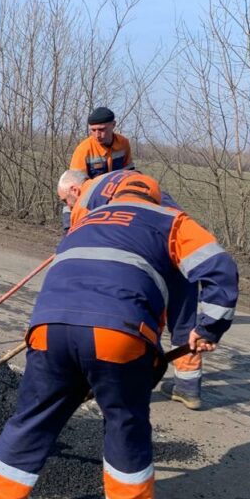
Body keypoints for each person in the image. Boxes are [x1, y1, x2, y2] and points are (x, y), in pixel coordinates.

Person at [0, 172, 238, 499]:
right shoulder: (171, 221)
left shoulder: (84, 221)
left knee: (33, 418)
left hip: (49, 330)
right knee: (125, 421)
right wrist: (208, 328)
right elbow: (218, 267)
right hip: (118, 335)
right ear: (157, 198)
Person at [68, 169, 205, 409]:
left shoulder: (86, 199)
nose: (67, 207)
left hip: (149, 259)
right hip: (181, 247)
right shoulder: (130, 183)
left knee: (133, 318)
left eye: (64, 202)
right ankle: (188, 388)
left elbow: (82, 248)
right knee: (183, 320)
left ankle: (115, 383)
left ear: (74, 190)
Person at [70, 106, 133, 180]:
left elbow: (129, 171)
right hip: (93, 190)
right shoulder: (83, 149)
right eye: (93, 130)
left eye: (101, 129)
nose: (97, 135)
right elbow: (77, 182)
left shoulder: (123, 143)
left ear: (113, 124)